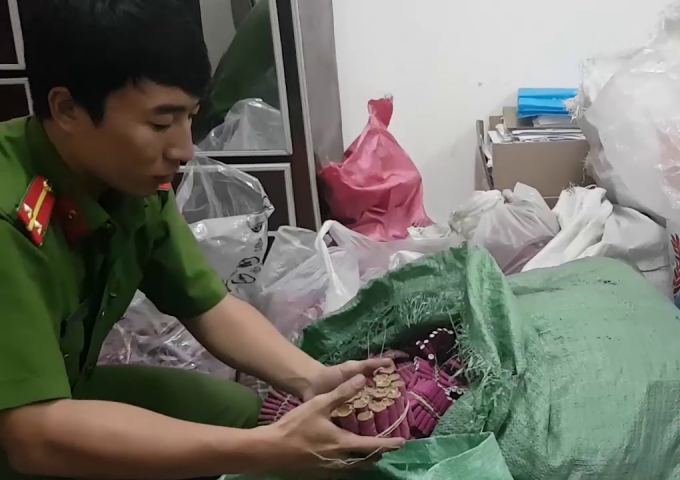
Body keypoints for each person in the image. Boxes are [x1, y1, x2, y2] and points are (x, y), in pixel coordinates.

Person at [0, 1, 404, 479]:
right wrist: (261, 449)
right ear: (67, 109)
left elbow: (207, 305)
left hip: (54, 396)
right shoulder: (11, 216)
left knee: (235, 411)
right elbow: (32, 436)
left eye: (189, 116)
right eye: (160, 124)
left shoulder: (124, 181)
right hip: (23, 428)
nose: (185, 150)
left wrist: (313, 379)